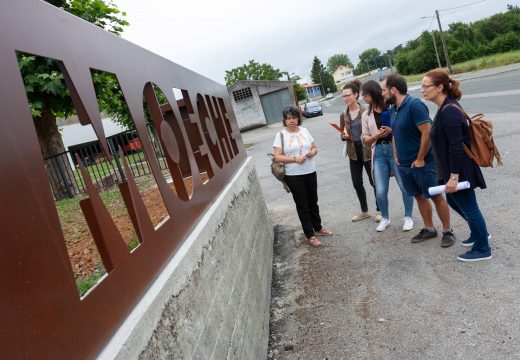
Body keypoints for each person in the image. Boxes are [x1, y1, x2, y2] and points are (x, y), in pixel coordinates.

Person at [422, 69, 492, 261]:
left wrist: (453, 176)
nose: (422, 90)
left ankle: (483, 247)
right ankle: (479, 233)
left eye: (425, 86)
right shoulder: (444, 107)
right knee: (454, 201)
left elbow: (456, 146)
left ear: (439, 87)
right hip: (451, 169)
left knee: (470, 207)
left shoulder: (450, 111)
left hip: (459, 169)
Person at [381, 74, 456, 247]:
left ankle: (447, 231)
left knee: (436, 196)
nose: (382, 94)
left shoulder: (414, 105)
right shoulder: (394, 110)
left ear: (394, 89)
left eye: (384, 90)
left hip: (423, 162)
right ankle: (429, 229)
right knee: (419, 196)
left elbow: (427, 132)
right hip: (405, 164)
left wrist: (421, 158)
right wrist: (396, 156)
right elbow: (395, 135)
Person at [273, 106, 333, 247]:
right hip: (294, 175)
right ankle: (310, 234)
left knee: (313, 201)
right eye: (288, 118)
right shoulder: (280, 135)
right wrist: (295, 159)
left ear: (298, 119)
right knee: (303, 205)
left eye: (294, 118)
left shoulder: (305, 131)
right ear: (284, 120)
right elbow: (277, 156)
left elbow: (314, 147)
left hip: (310, 171)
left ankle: (318, 227)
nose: (291, 121)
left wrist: (312, 152)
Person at [360, 80, 414, 232]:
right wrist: (376, 135)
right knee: (380, 190)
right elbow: (365, 139)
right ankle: (385, 218)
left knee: (404, 186)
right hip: (378, 152)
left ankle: (408, 217)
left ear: (374, 93)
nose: (363, 97)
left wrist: (392, 131)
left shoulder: (392, 108)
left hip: (395, 149)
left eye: (365, 94)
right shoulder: (366, 114)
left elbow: (403, 129)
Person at [339, 80, 381, 222]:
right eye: (343, 96)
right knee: (357, 183)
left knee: (373, 181)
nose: (346, 98)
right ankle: (364, 211)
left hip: (367, 150)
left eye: (348, 95)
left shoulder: (366, 111)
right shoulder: (343, 115)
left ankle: (380, 210)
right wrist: (344, 136)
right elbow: (342, 134)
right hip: (353, 152)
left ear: (356, 94)